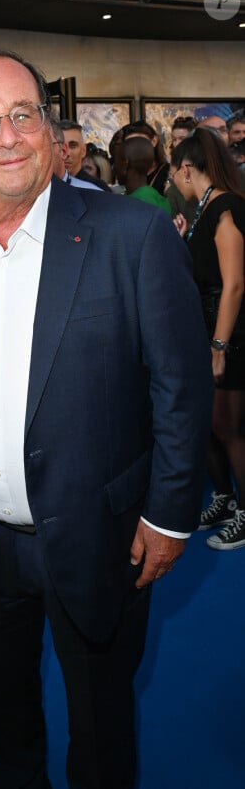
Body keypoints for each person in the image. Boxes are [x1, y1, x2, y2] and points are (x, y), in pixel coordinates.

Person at [0, 46, 213, 789]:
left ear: (50, 131)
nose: (7, 136)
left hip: (98, 534)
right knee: (8, 722)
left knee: (101, 730)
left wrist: (171, 516)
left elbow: (180, 387)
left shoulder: (129, 235)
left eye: (22, 115)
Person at [173, 127, 245, 551]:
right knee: (208, 427)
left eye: (173, 173)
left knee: (229, 428)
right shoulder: (204, 208)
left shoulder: (226, 206)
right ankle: (224, 498)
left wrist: (219, 348)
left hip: (230, 334)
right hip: (208, 331)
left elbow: (234, 284)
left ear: (186, 168)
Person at [114, 135, 172, 214]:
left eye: (116, 162)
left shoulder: (134, 205)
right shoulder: (155, 196)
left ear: (125, 164)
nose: (114, 168)